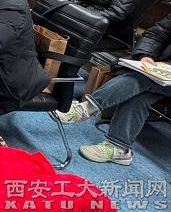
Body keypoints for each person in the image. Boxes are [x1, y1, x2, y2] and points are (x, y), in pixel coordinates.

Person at [56, 14, 171, 165]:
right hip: (162, 70)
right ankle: (119, 148)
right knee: (141, 92)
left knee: (141, 79)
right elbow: (157, 33)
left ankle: (86, 108)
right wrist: (146, 55)